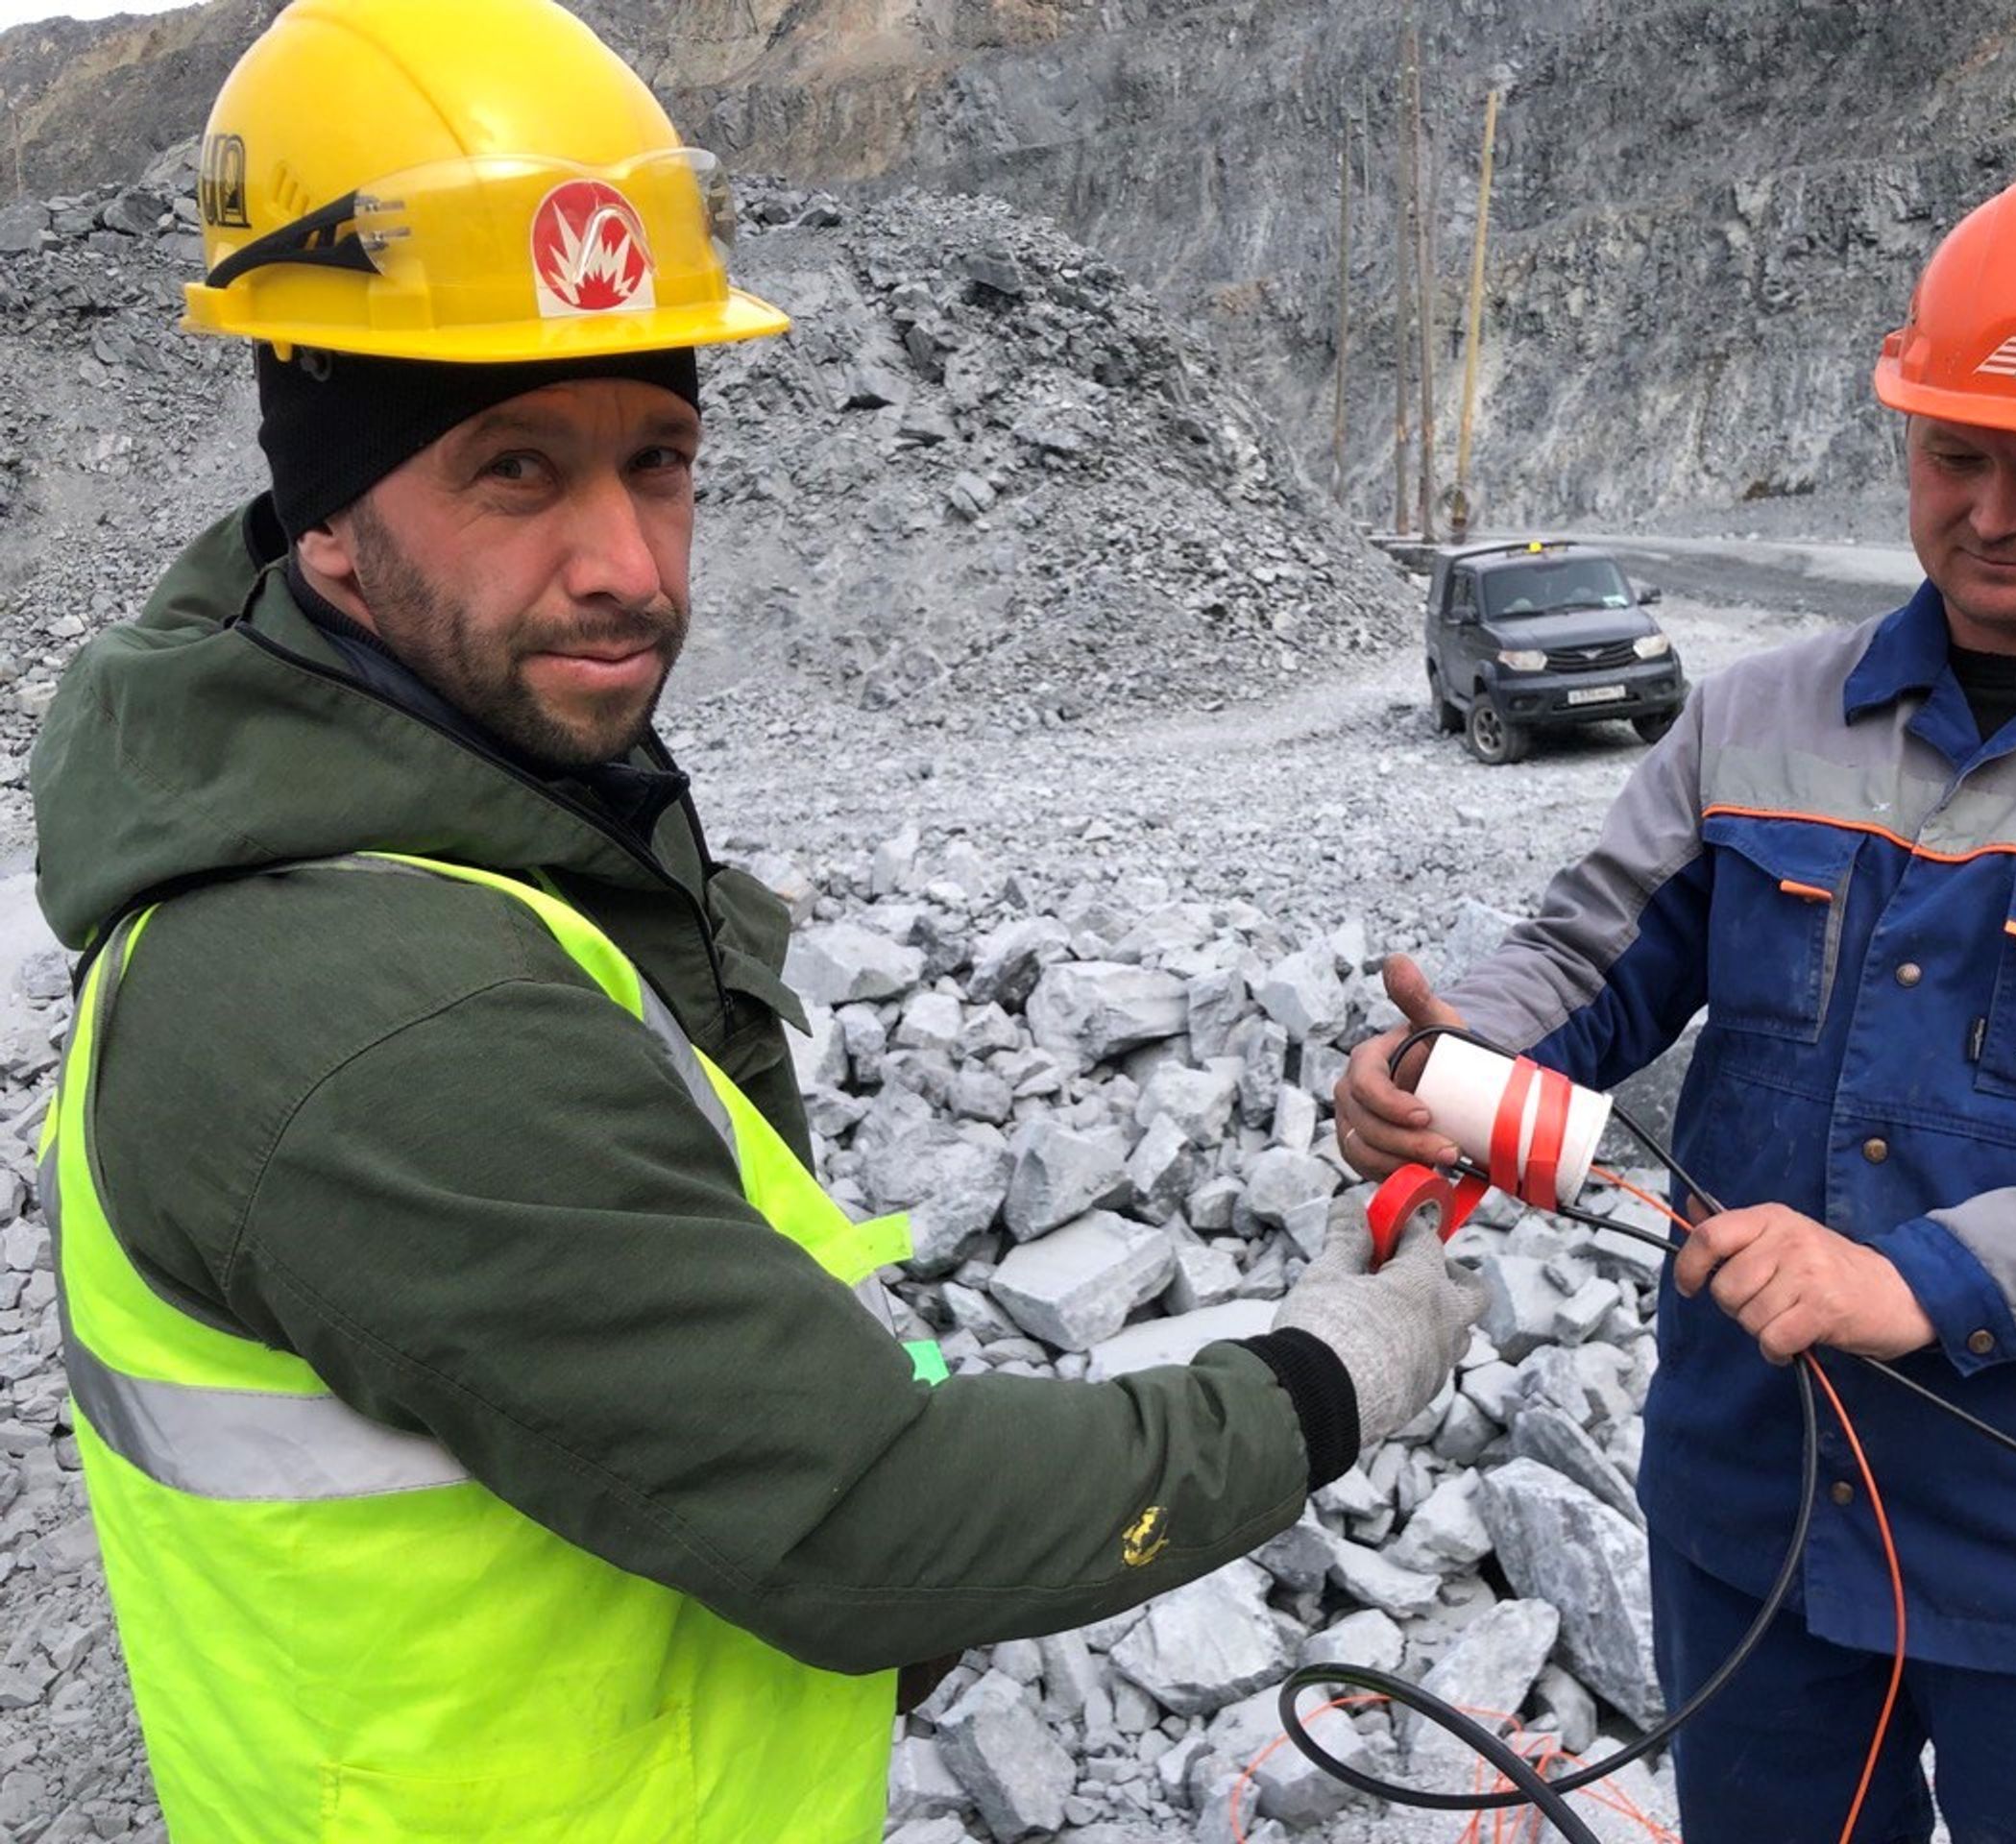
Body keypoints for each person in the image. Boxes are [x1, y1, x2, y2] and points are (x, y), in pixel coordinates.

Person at [30, 3, 1486, 1838]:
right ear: (326, 520)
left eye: (658, 458)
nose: (629, 566)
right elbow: (869, 1522)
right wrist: (1324, 1382)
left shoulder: (464, 824)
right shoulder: (371, 1011)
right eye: (514, 468)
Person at [1338, 166, 2016, 1842]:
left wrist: (1920, 1279)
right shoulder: (1761, 717)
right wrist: (1456, 1058)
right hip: (1753, 1505)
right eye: (1949, 456)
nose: (1990, 514)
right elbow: (1591, 954)